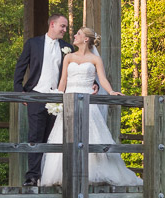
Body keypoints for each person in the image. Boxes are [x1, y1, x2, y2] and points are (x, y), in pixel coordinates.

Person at [39, 27, 142, 187]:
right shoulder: (69, 57)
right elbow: (63, 81)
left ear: (86, 39)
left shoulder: (95, 59)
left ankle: (93, 173)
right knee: (65, 136)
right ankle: (65, 174)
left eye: (78, 34)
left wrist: (111, 91)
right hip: (70, 100)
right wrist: (57, 98)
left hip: (88, 101)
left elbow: (102, 79)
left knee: (91, 136)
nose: (74, 35)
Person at [13, 14, 73, 186]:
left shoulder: (67, 47)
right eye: (62, 26)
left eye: (66, 27)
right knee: (35, 136)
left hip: (58, 98)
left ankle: (49, 177)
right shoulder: (33, 44)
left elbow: (76, 69)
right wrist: (20, 92)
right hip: (36, 95)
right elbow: (20, 67)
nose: (65, 30)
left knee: (53, 138)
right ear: (52, 25)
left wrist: (93, 85)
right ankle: (32, 177)